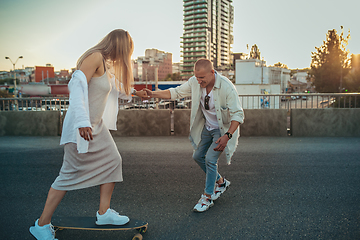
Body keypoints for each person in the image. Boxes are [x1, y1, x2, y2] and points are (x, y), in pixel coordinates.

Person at [29, 29, 147, 240]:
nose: (126, 56)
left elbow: (114, 87)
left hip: (97, 127)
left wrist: (136, 93)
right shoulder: (95, 57)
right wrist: (82, 122)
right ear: (119, 46)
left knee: (113, 161)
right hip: (81, 128)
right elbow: (76, 85)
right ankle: (41, 224)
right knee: (67, 175)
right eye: (127, 50)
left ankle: (104, 213)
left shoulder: (107, 64)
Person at [144, 59, 244, 212]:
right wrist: (152, 94)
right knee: (197, 156)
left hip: (221, 130)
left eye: (202, 77)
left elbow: (238, 114)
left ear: (212, 73)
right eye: (197, 77)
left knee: (210, 160)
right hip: (207, 128)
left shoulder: (227, 87)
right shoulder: (195, 82)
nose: (199, 81)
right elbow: (176, 93)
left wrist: (227, 136)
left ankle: (207, 197)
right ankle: (221, 182)